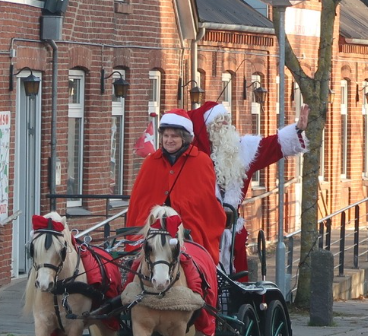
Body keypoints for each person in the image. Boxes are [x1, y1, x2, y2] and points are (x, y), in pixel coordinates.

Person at [187, 101, 310, 278]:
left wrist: (297, 129)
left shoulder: (243, 150)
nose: (225, 126)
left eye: (226, 120)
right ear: (208, 130)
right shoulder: (194, 158)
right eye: (218, 122)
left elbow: (272, 146)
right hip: (202, 232)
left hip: (230, 231)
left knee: (235, 280)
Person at [126, 109, 226, 264]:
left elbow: (205, 203)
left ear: (185, 138)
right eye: (166, 136)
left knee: (192, 268)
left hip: (190, 230)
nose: (169, 140)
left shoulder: (201, 161)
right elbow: (139, 202)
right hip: (151, 229)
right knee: (135, 270)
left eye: (174, 136)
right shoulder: (151, 161)